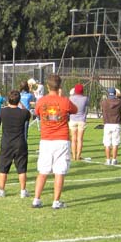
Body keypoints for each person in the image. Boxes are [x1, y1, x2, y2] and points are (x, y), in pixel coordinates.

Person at [32, 74, 77, 209]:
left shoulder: (41, 101)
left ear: (47, 86)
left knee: (43, 171)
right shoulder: (65, 101)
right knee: (59, 171)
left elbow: (37, 113)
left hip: (46, 139)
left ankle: (36, 199)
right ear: (59, 87)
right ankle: (56, 201)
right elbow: (75, 110)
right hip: (61, 139)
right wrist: (61, 96)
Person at [0, 90, 31, 197]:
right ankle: (23, 191)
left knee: (3, 168)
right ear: (19, 100)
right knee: (21, 168)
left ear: (8, 99)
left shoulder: (2, 111)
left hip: (6, 143)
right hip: (20, 143)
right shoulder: (23, 112)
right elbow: (29, 114)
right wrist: (21, 104)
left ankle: (1, 190)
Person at [100, 87, 121, 166]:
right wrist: (119, 96)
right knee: (115, 143)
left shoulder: (104, 102)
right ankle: (114, 159)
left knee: (107, 143)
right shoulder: (118, 102)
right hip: (116, 124)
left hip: (107, 124)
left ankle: (108, 159)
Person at [68, 83, 89, 161]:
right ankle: (78, 156)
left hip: (73, 119)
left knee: (73, 139)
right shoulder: (85, 98)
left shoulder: (71, 98)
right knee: (80, 139)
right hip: (81, 120)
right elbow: (87, 105)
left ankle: (73, 155)